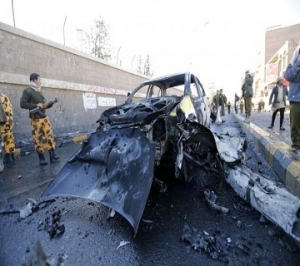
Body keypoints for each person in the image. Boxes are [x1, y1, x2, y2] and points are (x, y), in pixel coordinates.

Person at [20, 73, 59, 165]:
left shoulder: (39, 91)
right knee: (38, 139)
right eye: (39, 79)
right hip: (35, 119)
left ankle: (52, 156)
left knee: (50, 137)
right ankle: (41, 158)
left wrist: (49, 105)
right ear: (34, 80)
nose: (40, 81)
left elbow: (43, 106)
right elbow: (22, 104)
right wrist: (35, 105)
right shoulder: (27, 91)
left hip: (44, 118)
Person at [284, 44, 300, 152]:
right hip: (296, 99)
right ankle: (296, 145)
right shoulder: (292, 64)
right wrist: (297, 65)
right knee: (295, 124)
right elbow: (288, 76)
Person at [0, 93, 15, 164]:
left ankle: (8, 156)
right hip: (9, 119)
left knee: (5, 137)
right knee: (9, 137)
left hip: (3, 120)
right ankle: (11, 155)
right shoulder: (4, 96)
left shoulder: (2, 97)